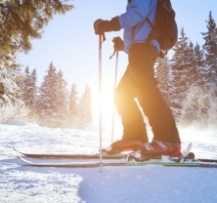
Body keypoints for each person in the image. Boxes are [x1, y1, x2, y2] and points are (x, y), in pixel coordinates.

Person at [94, 0, 182, 157]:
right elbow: (144, 25)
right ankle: (135, 137)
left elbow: (136, 15)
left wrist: (108, 25)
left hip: (143, 47)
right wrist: (124, 45)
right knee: (122, 93)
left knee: (145, 89)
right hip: (141, 47)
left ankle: (168, 140)